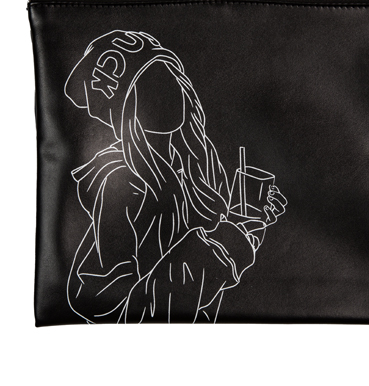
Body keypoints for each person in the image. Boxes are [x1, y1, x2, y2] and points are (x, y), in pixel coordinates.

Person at [64, 30, 287, 323]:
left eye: (168, 75)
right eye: (150, 81)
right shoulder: (123, 183)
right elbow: (124, 308)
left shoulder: (190, 163)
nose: (169, 88)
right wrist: (227, 244)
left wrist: (248, 222)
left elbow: (216, 253)